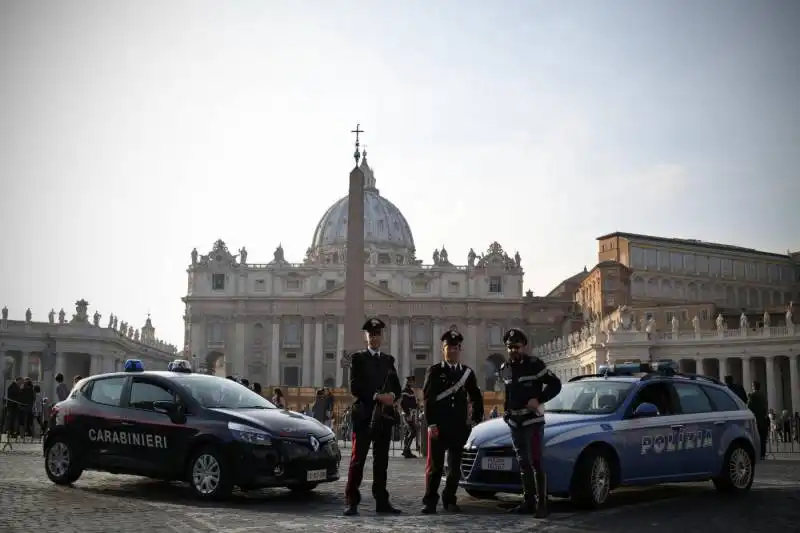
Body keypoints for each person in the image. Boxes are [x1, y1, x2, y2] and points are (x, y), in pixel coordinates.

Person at [343, 317, 402, 516]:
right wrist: (378, 396)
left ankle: (382, 502)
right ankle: (352, 501)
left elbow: (397, 387)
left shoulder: (388, 360)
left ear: (382, 336)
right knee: (357, 460)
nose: (374, 337)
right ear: (366, 336)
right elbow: (355, 387)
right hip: (364, 416)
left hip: (383, 417)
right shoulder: (358, 359)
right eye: (371, 334)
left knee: (381, 461)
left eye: (377, 334)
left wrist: (392, 396)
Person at [499, 328, 562, 516]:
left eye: (516, 347)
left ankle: (542, 504)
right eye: (509, 347)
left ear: (523, 346)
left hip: (531, 420)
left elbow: (555, 384)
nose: (512, 351)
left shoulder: (534, 365)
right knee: (522, 462)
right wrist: (506, 412)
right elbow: (508, 392)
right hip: (514, 421)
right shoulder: (505, 368)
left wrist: (540, 399)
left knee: (536, 461)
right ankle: (528, 501)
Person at [421, 330, 484, 514]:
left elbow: (476, 397)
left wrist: (475, 419)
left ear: (460, 350)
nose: (453, 351)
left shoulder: (467, 373)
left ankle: (450, 499)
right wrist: (431, 423)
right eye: (449, 347)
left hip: (459, 427)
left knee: (455, 468)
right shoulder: (434, 371)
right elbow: (428, 399)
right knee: (435, 467)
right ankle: (430, 501)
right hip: (439, 426)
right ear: (443, 349)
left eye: (456, 348)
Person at [747, 380, 769, 460]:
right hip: (763, 420)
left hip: (756, 421)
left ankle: (757, 454)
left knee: (756, 438)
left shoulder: (752, 396)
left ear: (753, 387)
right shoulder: (763, 395)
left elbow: (749, 408)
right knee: (763, 439)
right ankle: (763, 454)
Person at [400, 375, 419, 458]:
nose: (413, 383)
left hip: (410, 414)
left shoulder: (410, 391)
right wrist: (408, 414)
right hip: (407, 414)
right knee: (413, 431)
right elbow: (404, 403)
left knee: (408, 432)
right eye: (412, 381)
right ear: (409, 382)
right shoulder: (405, 391)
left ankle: (407, 451)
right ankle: (405, 450)